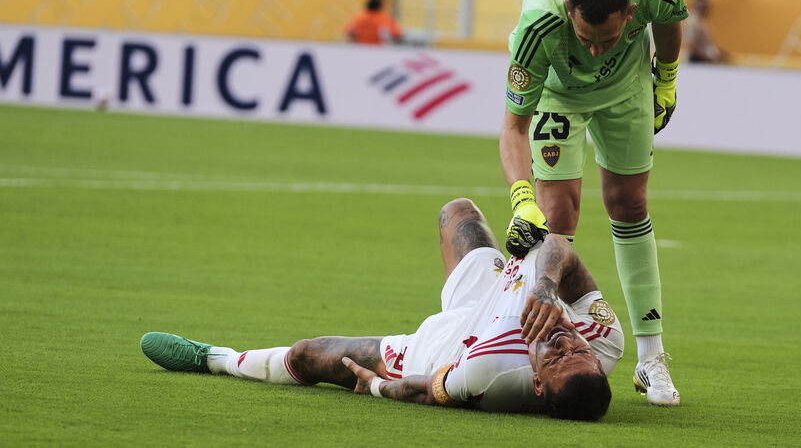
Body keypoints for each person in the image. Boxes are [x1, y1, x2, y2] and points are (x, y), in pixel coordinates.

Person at [141, 198, 625, 420]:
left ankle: (214, 358)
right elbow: (563, 249)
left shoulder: (489, 372)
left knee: (314, 353)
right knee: (458, 212)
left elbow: (425, 392)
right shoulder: (603, 339)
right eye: (576, 350)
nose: (564, 343)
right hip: (501, 293)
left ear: (536, 382)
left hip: (445, 347)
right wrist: (544, 283)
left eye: (557, 359)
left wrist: (376, 386)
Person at [500, 0, 686, 407]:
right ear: (569, 11)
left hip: (626, 87)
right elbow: (512, 128)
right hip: (559, 95)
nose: (596, 49)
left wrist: (666, 77)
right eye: (585, 39)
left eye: (606, 38)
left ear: (630, 13)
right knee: (556, 214)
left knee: (629, 203)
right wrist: (522, 199)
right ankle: (546, 347)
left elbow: (670, 23)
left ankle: (651, 357)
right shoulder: (538, 25)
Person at [683, 0, 730, 64]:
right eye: (704, 7)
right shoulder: (692, 21)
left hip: (703, 58)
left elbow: (707, 43)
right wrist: (705, 57)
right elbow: (691, 44)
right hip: (697, 60)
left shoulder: (703, 21)